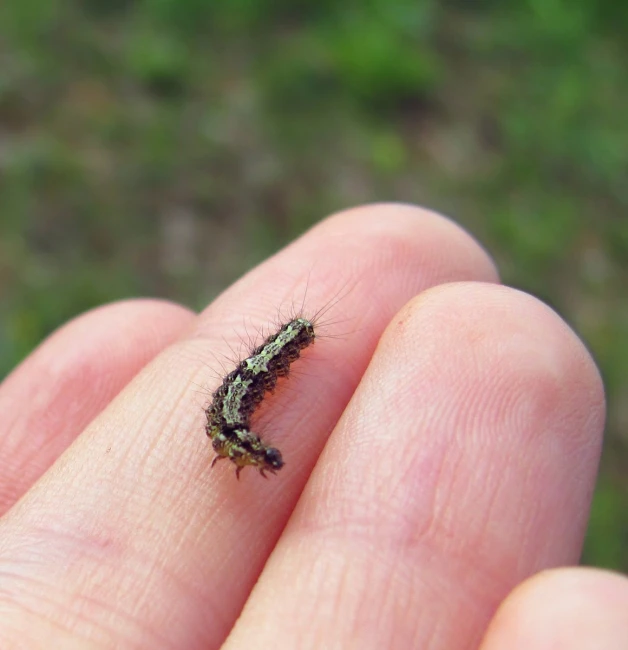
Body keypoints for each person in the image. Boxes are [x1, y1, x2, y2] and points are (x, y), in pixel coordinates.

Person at [0, 204, 624, 649]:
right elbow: (230, 412)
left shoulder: (240, 406)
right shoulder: (232, 422)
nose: (260, 455)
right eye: (255, 452)